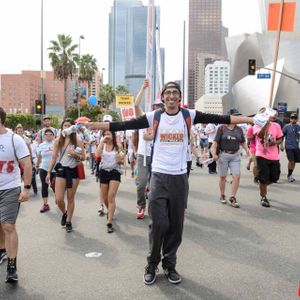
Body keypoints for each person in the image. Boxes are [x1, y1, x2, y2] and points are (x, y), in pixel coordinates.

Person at [85, 81, 253, 285]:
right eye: (168, 93)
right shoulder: (154, 116)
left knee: (176, 225)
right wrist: (94, 125)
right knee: (158, 224)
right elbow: (124, 125)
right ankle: (152, 263)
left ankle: (170, 264)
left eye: (175, 93)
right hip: (159, 176)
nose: (172, 96)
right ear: (163, 97)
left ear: (179, 97)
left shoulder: (188, 115)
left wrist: (250, 120)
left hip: (180, 177)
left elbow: (222, 118)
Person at [0, 107, 32, 283]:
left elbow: (27, 164)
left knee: (8, 226)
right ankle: (2, 249)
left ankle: (12, 267)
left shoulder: (14, 139)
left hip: (10, 188)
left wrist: (26, 188)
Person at [46, 118, 85, 232]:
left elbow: (83, 157)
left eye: (69, 125)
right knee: (59, 199)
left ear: (73, 128)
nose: (66, 127)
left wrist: (74, 155)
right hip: (61, 171)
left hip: (73, 171)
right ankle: (65, 213)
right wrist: (48, 172)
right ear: (62, 127)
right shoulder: (58, 140)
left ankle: (69, 221)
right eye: (65, 126)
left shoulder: (77, 140)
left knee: (70, 198)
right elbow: (54, 157)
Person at [213, 109, 249, 208]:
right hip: (223, 155)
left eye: (238, 116)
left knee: (236, 176)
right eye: (235, 116)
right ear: (230, 116)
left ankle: (233, 197)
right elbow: (215, 142)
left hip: (235, 156)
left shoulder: (239, 129)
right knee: (223, 177)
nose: (237, 118)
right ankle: (222, 194)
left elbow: (242, 142)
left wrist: (247, 150)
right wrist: (214, 154)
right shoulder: (222, 128)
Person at [95, 130, 124, 233]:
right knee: (105, 197)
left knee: (111, 196)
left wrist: (119, 159)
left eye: (109, 134)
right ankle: (110, 211)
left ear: (113, 135)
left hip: (115, 172)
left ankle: (109, 222)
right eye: (105, 134)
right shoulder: (102, 145)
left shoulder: (118, 146)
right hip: (103, 171)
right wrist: (101, 142)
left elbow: (122, 161)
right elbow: (97, 155)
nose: (107, 136)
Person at [253, 109, 283, 207]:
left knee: (275, 177)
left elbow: (280, 138)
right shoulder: (257, 125)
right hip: (261, 155)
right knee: (263, 179)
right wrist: (266, 123)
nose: (275, 115)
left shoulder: (277, 125)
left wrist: (275, 142)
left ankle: (262, 183)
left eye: (275, 114)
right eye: (272, 114)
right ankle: (263, 197)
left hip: (274, 156)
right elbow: (260, 135)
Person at [36, 128, 56, 213]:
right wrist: (37, 165)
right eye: (46, 135)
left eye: (50, 135)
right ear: (44, 136)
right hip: (43, 168)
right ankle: (45, 204)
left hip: (55, 169)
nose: (48, 136)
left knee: (55, 186)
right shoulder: (41, 145)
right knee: (44, 186)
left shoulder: (56, 144)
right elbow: (39, 157)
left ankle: (58, 199)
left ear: (53, 136)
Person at [282, 112, 300, 182]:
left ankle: (290, 174)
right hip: (289, 146)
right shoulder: (286, 127)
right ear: (290, 119)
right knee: (291, 161)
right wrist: (281, 145)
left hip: (296, 147)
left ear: (297, 119)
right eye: (292, 118)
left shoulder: (299, 127)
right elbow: (282, 136)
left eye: (295, 118)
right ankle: (289, 175)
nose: (293, 119)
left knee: (294, 161)